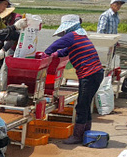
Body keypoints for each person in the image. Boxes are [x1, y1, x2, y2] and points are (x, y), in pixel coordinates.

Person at [44, 15, 104, 144]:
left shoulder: (71, 36)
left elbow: (55, 45)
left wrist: (46, 55)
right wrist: (56, 54)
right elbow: (67, 50)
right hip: (94, 73)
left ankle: (77, 135)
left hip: (89, 74)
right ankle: (85, 133)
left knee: (82, 105)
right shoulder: (80, 36)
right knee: (85, 104)